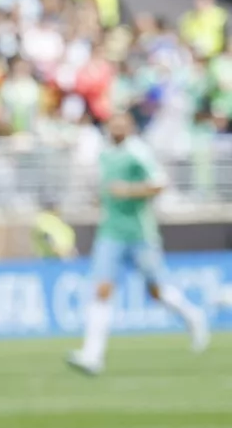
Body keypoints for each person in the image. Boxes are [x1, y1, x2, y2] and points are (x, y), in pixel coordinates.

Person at [67, 112, 209, 375]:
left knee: (157, 292)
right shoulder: (106, 154)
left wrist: (129, 191)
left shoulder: (138, 152)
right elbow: (107, 191)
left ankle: (192, 316)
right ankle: (92, 355)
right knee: (102, 289)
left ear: (130, 127)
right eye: (113, 123)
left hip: (139, 233)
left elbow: (160, 184)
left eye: (121, 124)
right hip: (110, 232)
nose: (116, 128)